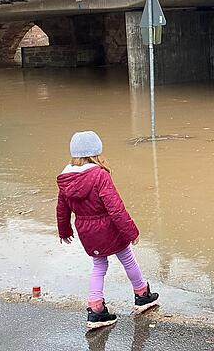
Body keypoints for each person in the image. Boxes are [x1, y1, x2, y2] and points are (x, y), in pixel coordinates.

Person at [56, 131, 159, 330]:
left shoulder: (65, 179)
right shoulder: (99, 175)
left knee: (99, 266)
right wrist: (131, 232)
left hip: (87, 230)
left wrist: (64, 230)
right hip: (110, 228)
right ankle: (142, 295)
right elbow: (115, 207)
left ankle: (95, 310)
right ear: (96, 153)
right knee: (127, 258)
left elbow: (61, 208)